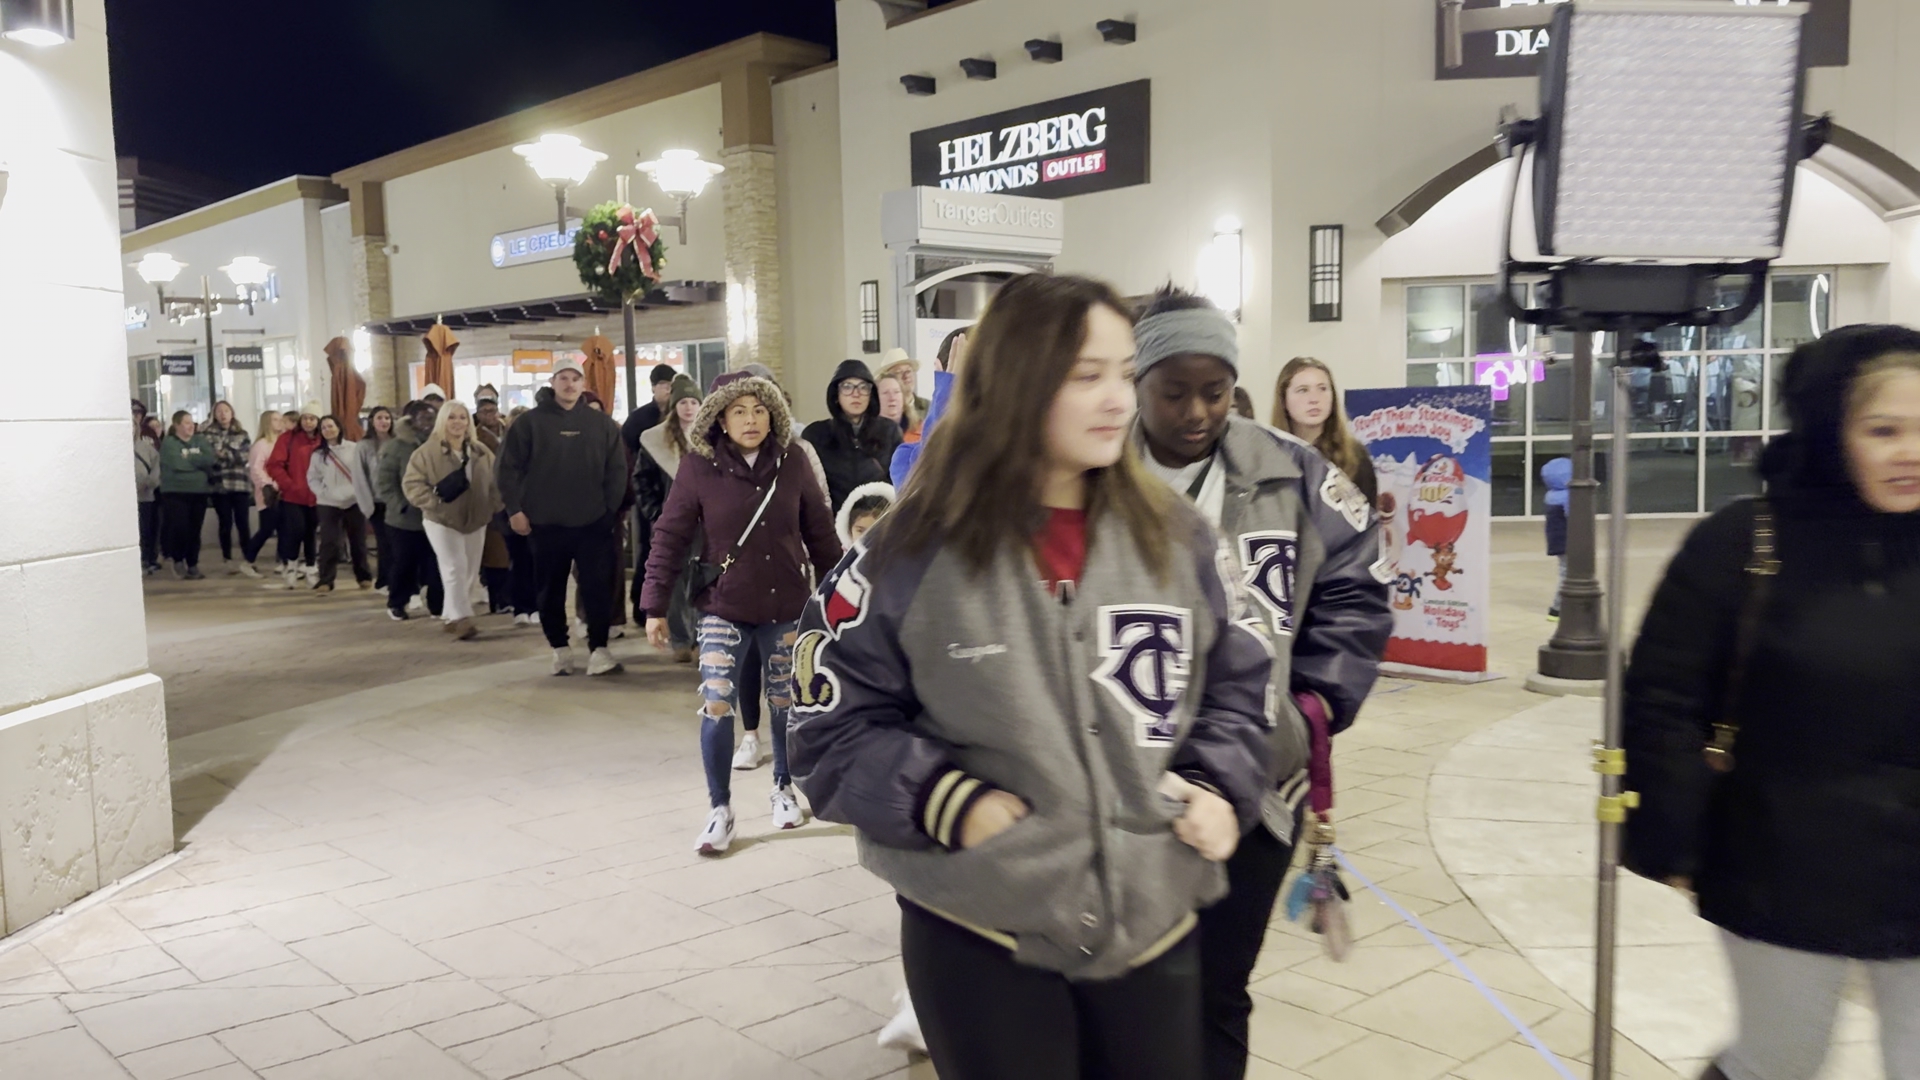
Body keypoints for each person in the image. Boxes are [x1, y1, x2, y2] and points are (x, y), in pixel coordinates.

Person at [790, 273, 1274, 1080]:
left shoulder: (1180, 539)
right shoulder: (907, 550)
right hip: (982, 929)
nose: (1119, 398)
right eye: (1087, 375)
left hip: (1152, 915)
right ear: (1015, 381)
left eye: (1125, 371)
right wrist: (949, 801)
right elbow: (821, 713)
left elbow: (1241, 681)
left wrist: (1219, 781)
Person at [1624, 325, 1920, 1080]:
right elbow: (1664, 696)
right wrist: (1675, 838)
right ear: (1830, 431)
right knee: (1779, 1061)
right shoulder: (1746, 541)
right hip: (1783, 859)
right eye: (1883, 430)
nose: (1910, 452)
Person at [1130, 286, 1391, 1080]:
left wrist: (1309, 705)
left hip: (1256, 777)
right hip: (1126, 777)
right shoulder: (1094, 467)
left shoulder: (1292, 469)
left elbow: (1357, 585)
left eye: (1215, 391)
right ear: (1136, 383)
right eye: (1174, 391)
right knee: (1128, 984)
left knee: (1218, 982)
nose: (1198, 411)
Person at [641, 375, 841, 853]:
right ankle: (720, 810)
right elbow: (669, 536)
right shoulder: (698, 467)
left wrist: (838, 596)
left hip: (786, 604)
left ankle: (783, 787)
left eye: (759, 409)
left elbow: (820, 531)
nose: (751, 419)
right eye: (739, 411)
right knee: (716, 701)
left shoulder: (792, 461)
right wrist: (653, 605)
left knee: (785, 702)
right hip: (723, 605)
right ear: (720, 419)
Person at [497, 358, 630, 676]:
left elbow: (617, 471)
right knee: (550, 589)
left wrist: (609, 511)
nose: (569, 384)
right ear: (553, 382)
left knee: (597, 588)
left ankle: (599, 649)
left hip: (593, 522)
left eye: (575, 378)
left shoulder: (602, 425)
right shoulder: (529, 423)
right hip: (546, 523)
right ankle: (559, 648)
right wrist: (515, 509)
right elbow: (507, 469)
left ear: (583, 384)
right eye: (563, 378)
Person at [404, 401, 503, 640]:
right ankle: (461, 618)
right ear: (442, 421)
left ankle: (450, 614)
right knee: (453, 566)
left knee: (469, 569)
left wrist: (491, 506)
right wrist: (434, 504)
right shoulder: (427, 453)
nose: (457, 422)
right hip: (442, 520)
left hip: (475, 519)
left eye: (462, 418)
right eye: (451, 418)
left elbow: (496, 482)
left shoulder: (480, 452)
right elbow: (412, 484)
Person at [634, 373, 703, 660]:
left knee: (702, 579)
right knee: (674, 581)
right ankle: (680, 639)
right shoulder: (656, 441)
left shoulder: (712, 438)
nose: (688, 408)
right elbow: (642, 481)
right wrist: (656, 513)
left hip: (705, 523)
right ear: (673, 406)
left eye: (693, 402)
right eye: (682, 402)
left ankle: (702, 637)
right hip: (670, 522)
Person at [1272, 357, 1378, 505]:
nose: (1314, 399)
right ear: (1283, 400)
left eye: (1322, 389)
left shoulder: (1354, 456)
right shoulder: (1269, 456)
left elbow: (1368, 521)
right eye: (1303, 390)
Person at [802, 359, 903, 511]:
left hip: (880, 521)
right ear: (836, 394)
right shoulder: (816, 435)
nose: (856, 394)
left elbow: (900, 480)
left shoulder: (889, 431)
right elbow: (809, 491)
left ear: (871, 394)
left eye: (863, 387)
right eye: (847, 387)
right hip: (832, 524)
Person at [376, 401, 444, 622]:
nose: (429, 423)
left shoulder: (439, 444)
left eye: (432, 418)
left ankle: (438, 605)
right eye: (424, 418)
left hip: (435, 515)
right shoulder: (397, 447)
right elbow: (385, 483)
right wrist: (401, 505)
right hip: (404, 519)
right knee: (404, 564)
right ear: (412, 420)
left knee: (436, 563)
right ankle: (397, 602)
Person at [305, 415, 374, 593]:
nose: (328, 430)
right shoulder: (318, 455)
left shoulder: (354, 448)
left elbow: (363, 473)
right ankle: (326, 580)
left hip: (353, 501)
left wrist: (359, 492)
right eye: (324, 428)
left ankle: (364, 576)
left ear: (339, 427)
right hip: (328, 503)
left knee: (357, 541)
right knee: (329, 542)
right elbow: (313, 478)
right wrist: (323, 493)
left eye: (331, 426)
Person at [267, 407, 323, 588]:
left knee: (311, 533)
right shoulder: (288, 439)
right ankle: (291, 565)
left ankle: (311, 566)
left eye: (313, 418)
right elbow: (275, 465)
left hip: (317, 496)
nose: (308, 422)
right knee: (295, 530)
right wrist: (289, 485)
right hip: (292, 495)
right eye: (305, 418)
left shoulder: (324, 440)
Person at [158, 410, 218, 579]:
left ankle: (193, 563)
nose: (191, 425)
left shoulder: (200, 440)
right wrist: (197, 465)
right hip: (176, 492)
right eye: (186, 422)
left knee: (194, 529)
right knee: (180, 527)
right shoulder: (170, 443)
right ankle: (178, 560)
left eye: (192, 422)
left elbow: (209, 459)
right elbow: (176, 464)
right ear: (177, 425)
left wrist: (189, 461)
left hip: (198, 492)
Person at [202, 401, 256, 576]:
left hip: (239, 484)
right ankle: (228, 559)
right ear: (214, 414)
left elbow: (244, 456)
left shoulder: (242, 434)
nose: (223, 414)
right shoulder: (207, 435)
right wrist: (226, 456)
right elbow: (209, 458)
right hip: (219, 485)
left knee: (243, 523)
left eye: (226, 411)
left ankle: (249, 559)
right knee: (225, 523)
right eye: (219, 411)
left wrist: (223, 454)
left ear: (232, 413)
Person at [243, 410, 286, 576]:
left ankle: (284, 561)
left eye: (280, 419)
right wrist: (270, 484)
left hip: (282, 491)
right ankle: (248, 559)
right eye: (275, 419)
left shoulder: (280, 442)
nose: (279, 422)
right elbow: (256, 469)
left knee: (284, 528)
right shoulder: (262, 444)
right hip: (268, 493)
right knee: (267, 528)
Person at [360, 405, 397, 592]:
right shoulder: (364, 446)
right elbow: (360, 476)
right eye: (380, 418)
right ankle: (383, 580)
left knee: (396, 543)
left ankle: (396, 579)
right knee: (383, 543)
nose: (384, 422)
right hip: (376, 502)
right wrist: (366, 504)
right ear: (372, 422)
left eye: (387, 418)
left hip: (396, 501)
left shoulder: (398, 443)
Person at [622, 362, 679, 456]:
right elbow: (627, 449)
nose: (668, 390)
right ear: (653, 387)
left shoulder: (681, 414)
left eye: (672, 385)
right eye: (663, 384)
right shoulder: (637, 417)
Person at [132, 400, 161, 575]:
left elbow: (156, 466)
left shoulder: (147, 448)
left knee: (147, 529)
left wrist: (150, 483)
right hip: (126, 500)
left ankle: (148, 559)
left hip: (146, 495)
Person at [1541, 456, 1571, 620]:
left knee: (1564, 571)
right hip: (1567, 541)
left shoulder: (1552, 495)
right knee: (1566, 574)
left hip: (1557, 541)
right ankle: (1556, 609)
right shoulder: (1567, 497)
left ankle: (1561, 606)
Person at [837, 482, 895, 547]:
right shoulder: (846, 556)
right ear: (849, 531)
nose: (867, 538)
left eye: (875, 532)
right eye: (860, 531)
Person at [877, 346, 930, 416]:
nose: (906, 376)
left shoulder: (928, 407)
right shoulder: (878, 411)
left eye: (908, 371)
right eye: (899, 372)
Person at [877, 373, 923, 445]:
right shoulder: (866, 435)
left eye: (896, 392)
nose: (892, 398)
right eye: (885, 393)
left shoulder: (922, 431)